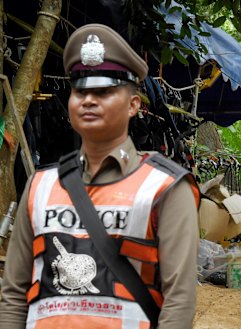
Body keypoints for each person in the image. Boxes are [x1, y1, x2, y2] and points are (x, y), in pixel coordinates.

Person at [0, 24, 200, 328]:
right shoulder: (40, 186)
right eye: (80, 90)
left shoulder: (165, 188)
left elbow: (179, 301)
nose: (88, 100)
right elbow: (14, 295)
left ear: (134, 105)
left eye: (104, 91)